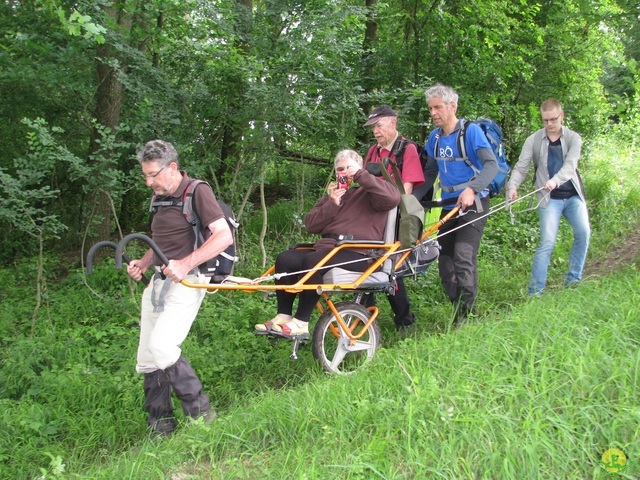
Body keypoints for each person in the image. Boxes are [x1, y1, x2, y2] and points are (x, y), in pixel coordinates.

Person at [126, 140, 233, 437]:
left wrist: (185, 264)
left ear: (172, 168)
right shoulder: (159, 197)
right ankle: (161, 425)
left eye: (153, 175)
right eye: (144, 176)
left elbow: (222, 236)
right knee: (147, 357)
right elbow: (159, 239)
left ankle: (202, 415)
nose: (149, 182)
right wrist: (144, 262)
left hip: (189, 279)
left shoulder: (197, 191)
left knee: (162, 346)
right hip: (160, 280)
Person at [254, 149, 401, 337]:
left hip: (360, 253)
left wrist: (361, 175)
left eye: (349, 167)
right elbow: (311, 225)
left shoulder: (372, 191)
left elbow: (393, 198)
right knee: (286, 258)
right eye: (341, 169)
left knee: (313, 261)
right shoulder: (332, 195)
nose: (345, 172)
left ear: (359, 167)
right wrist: (333, 202)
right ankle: (283, 316)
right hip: (329, 249)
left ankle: (301, 322)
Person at [419, 84, 498, 324]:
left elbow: (491, 165)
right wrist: (412, 199)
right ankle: (458, 309)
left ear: (452, 106)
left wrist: (472, 189)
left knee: (463, 257)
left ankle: (467, 316)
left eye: (438, 107)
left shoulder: (471, 132)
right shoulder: (434, 138)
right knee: (445, 264)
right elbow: (430, 173)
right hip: (448, 205)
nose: (433, 113)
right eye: (431, 108)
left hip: (474, 202)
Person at [507, 99, 590, 296]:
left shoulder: (574, 138)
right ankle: (535, 293)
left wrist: (555, 180)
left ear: (562, 116)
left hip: (572, 196)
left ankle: (573, 280)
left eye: (553, 119)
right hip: (548, 199)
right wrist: (512, 187)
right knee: (547, 241)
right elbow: (521, 167)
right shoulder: (533, 140)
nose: (549, 124)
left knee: (583, 233)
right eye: (545, 120)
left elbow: (570, 166)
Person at [362, 105, 426, 330]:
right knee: (366, 264)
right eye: (373, 128)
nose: (376, 131)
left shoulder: (406, 149)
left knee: (391, 268)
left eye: (379, 126)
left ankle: (405, 321)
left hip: (394, 218)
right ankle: (364, 317)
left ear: (393, 122)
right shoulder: (373, 151)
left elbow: (406, 190)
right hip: (372, 218)